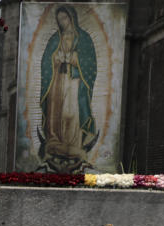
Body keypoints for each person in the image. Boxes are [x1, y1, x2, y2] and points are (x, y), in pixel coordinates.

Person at [39, 4, 98, 173]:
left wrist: (74, 58)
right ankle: (55, 141)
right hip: (57, 80)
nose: (62, 22)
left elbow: (90, 62)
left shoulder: (84, 38)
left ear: (71, 18)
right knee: (55, 111)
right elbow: (46, 61)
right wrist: (55, 59)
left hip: (75, 80)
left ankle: (74, 144)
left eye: (64, 18)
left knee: (71, 111)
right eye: (59, 20)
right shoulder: (54, 39)